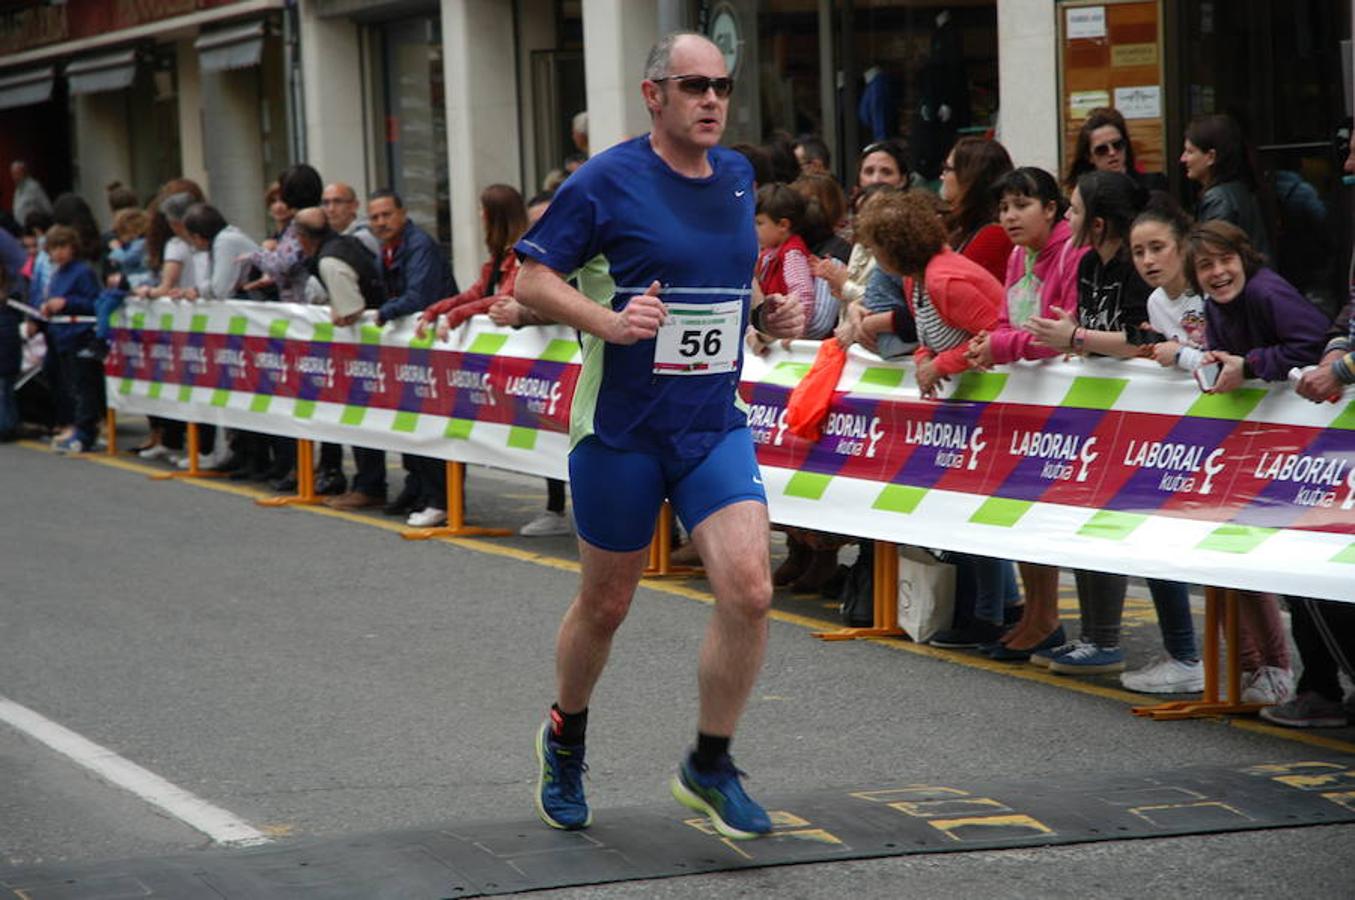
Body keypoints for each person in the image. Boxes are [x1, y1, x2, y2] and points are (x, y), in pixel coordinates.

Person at [513, 31, 803, 840]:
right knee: (606, 604)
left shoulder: (739, 176)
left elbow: (724, 278)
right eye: (692, 86)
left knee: (749, 588)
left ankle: (708, 764)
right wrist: (610, 321)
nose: (711, 99)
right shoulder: (605, 180)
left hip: (710, 424)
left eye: (721, 86)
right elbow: (529, 277)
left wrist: (763, 312)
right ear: (654, 95)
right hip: (620, 430)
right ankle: (565, 735)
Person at [1186, 220, 1330, 705]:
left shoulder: (1268, 292)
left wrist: (1248, 365)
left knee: (1307, 574)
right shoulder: (1214, 303)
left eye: (1226, 260)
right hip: (1269, 444)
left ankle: (1305, 678)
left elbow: (1314, 344)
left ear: (1244, 257)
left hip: (1313, 445)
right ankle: (1277, 673)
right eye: (1205, 266)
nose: (1218, 273)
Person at [966, 167, 1087, 662]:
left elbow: (1051, 335)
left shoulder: (1069, 253)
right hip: (1023, 396)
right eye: (1004, 207)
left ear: (1052, 209)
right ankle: (1035, 615)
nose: (1010, 217)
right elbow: (1006, 317)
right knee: (1024, 508)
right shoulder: (1018, 254)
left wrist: (1001, 345)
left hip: (1062, 400)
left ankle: (1048, 618)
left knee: (1048, 510)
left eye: (1021, 205)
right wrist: (989, 340)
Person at [326, 189, 456, 519]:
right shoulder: (387, 249)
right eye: (374, 217)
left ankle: (439, 499)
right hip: (410, 350)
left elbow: (418, 296)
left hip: (434, 347)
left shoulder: (419, 245)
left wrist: (382, 313)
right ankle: (418, 489)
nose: (381, 222)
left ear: (403, 213)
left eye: (386, 215)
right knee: (409, 420)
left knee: (430, 420)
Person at [36, 225, 102, 454]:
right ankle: (72, 424)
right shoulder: (57, 274)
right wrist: (48, 308)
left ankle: (86, 431)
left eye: (63, 247)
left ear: (73, 247)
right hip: (60, 335)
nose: (59, 253)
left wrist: (66, 303)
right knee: (65, 383)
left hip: (79, 335)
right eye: (54, 248)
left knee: (83, 386)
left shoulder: (82, 272)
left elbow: (94, 303)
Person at [1181, 113, 1274, 264]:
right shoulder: (1240, 190)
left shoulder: (1218, 199)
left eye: (1190, 151)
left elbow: (1213, 254)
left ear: (1211, 156)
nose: (1183, 158)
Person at [754, 183, 835, 340]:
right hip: (770, 334)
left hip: (785, 340)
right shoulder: (767, 252)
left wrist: (794, 331)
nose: (753, 228)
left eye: (759, 223)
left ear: (783, 225)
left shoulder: (792, 254)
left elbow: (803, 295)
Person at [940, 136, 1014, 282]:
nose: (942, 176)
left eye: (947, 169)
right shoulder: (960, 228)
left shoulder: (994, 236)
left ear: (970, 176)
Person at [1064, 107, 1167, 194]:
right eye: (1102, 150)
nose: (1112, 152)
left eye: (1117, 145)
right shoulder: (1084, 196)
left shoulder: (1153, 185)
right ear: (1089, 157)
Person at [181, 204, 262, 300]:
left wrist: (197, 291)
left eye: (190, 238)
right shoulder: (220, 241)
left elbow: (220, 290)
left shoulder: (225, 241)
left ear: (197, 237)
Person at [10, 161, 52, 227]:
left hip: (33, 229)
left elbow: (48, 209)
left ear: (24, 173)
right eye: (13, 174)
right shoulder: (18, 189)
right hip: (20, 229)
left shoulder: (34, 187)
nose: (15, 177)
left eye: (18, 173)